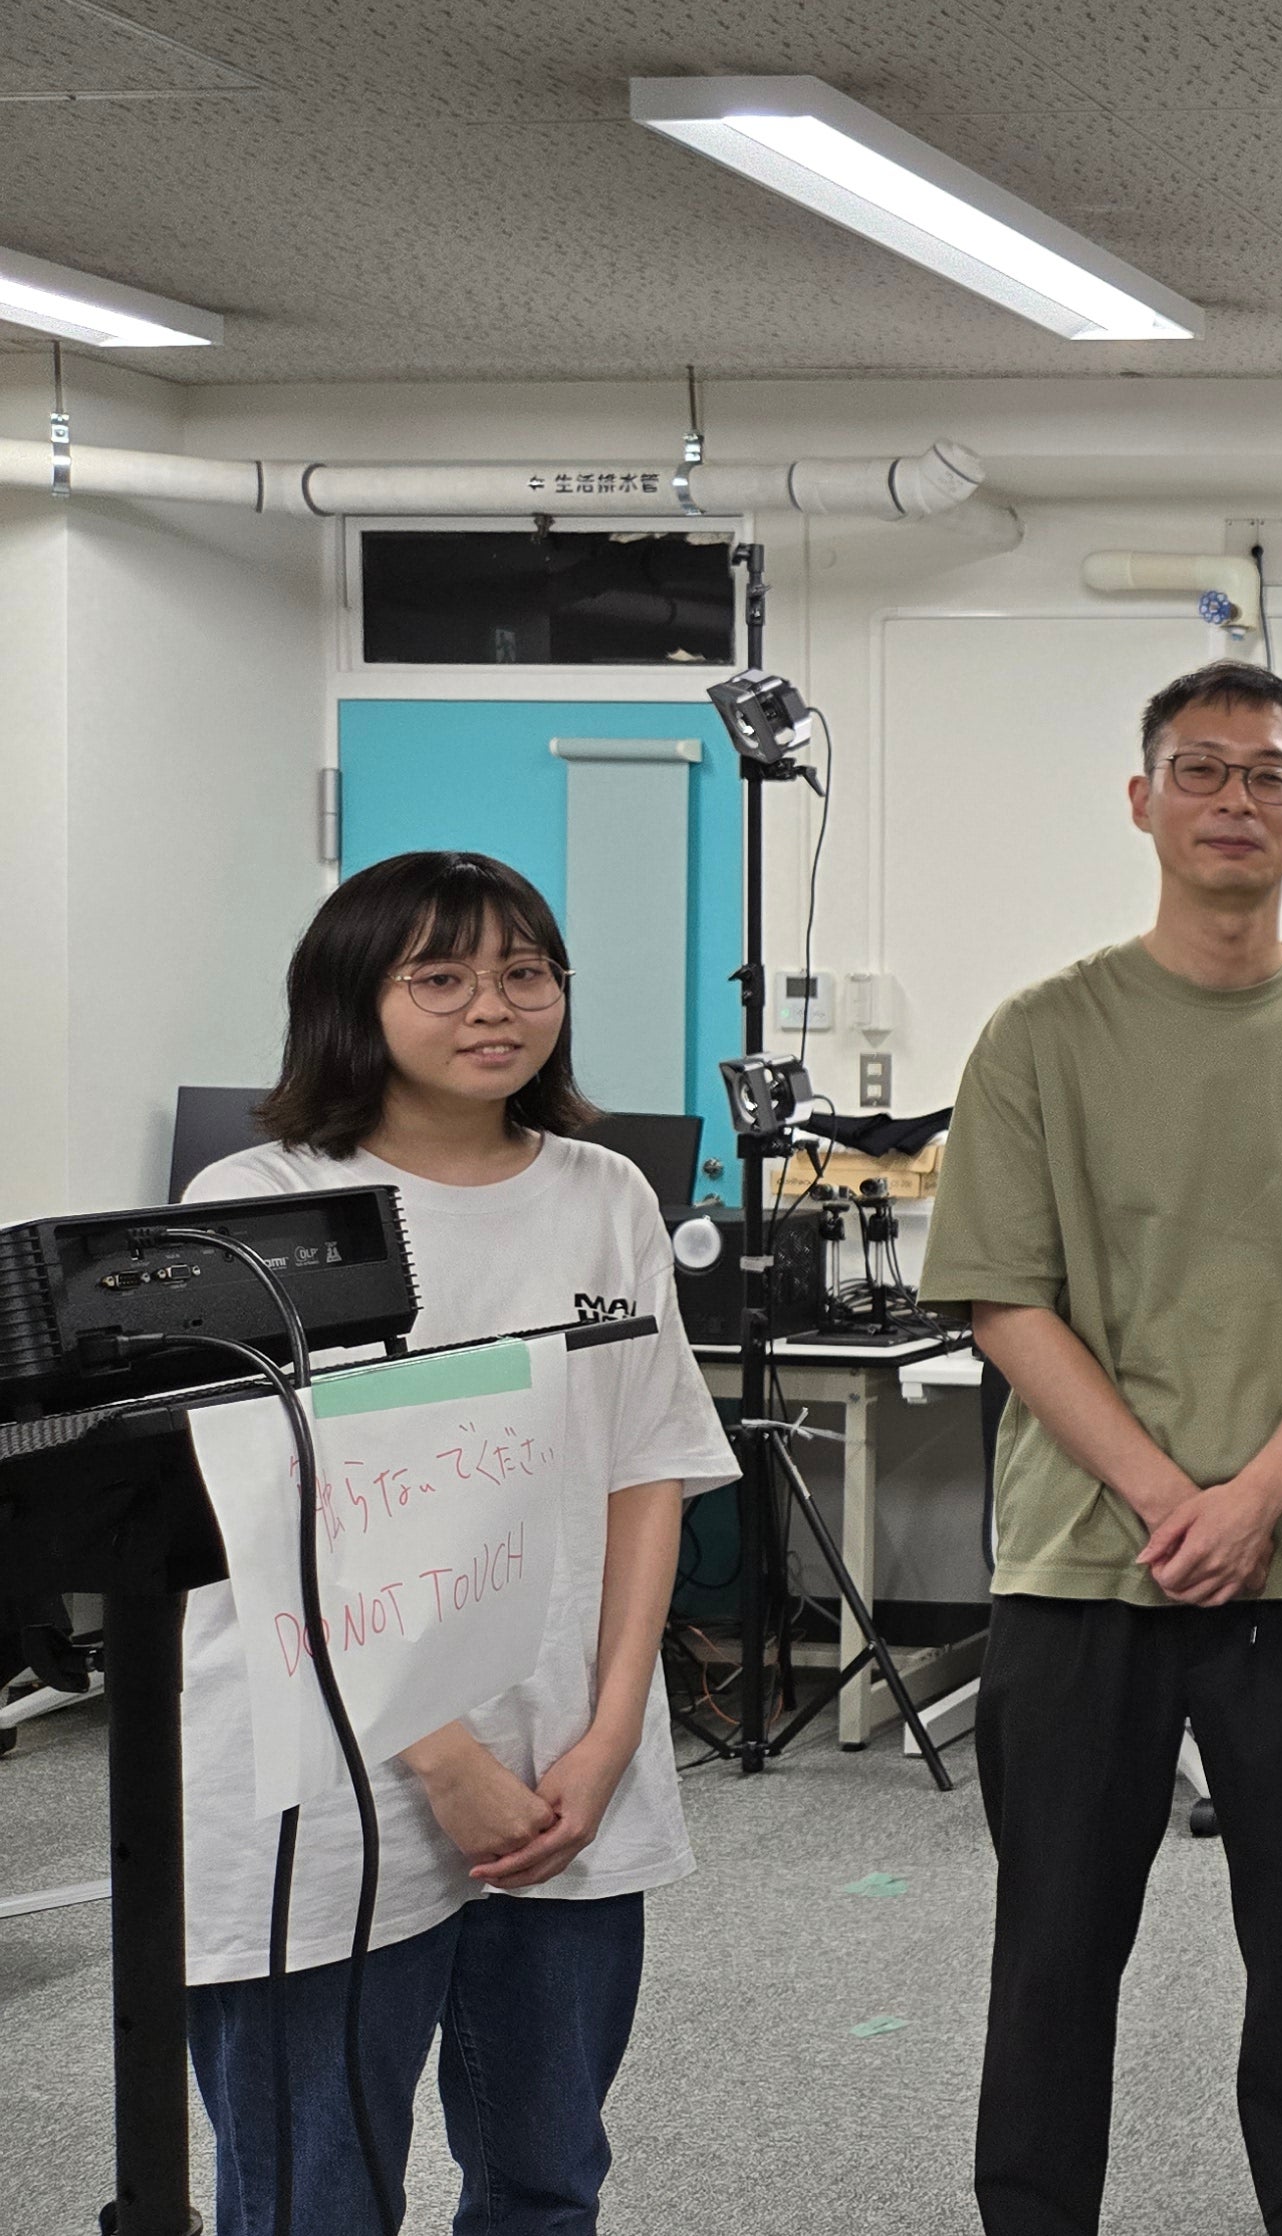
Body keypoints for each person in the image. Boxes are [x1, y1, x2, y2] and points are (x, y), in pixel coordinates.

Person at [918, 659, 1282, 2236]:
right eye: (1202, 770)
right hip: (1085, 1565)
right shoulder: (1039, 1036)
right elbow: (1002, 1301)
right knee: (1055, 1945)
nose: (1236, 800)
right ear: (1142, 799)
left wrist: (1261, 1494)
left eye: (1269, 776)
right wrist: (1174, 1498)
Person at [180, 848, 740, 2236]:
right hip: (332, 1774)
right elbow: (272, 1525)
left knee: (546, 2180)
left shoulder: (606, 1193)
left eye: (525, 972)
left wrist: (613, 1731)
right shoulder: (257, 1209)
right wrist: (442, 1752)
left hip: (562, 1759)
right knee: (314, 2196)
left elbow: (646, 1471)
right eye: (441, 977)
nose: (495, 1006)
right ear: (350, 1002)